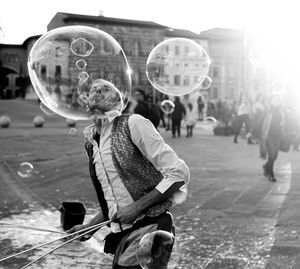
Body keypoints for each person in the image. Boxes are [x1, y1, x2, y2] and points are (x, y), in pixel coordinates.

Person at [67, 79, 190, 269]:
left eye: (105, 89)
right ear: (86, 101)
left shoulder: (132, 123)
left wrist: (136, 208)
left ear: (117, 100)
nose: (98, 91)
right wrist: (90, 226)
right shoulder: (91, 142)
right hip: (121, 234)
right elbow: (115, 199)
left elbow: (178, 173)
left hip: (150, 226)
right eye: (94, 89)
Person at [261, 94, 286, 182]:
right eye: (275, 99)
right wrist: (251, 132)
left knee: (275, 155)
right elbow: (259, 121)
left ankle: (266, 166)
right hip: (269, 135)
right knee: (272, 154)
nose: (277, 101)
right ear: (271, 101)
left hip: (278, 135)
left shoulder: (282, 110)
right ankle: (270, 174)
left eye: (278, 99)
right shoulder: (268, 111)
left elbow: (287, 120)